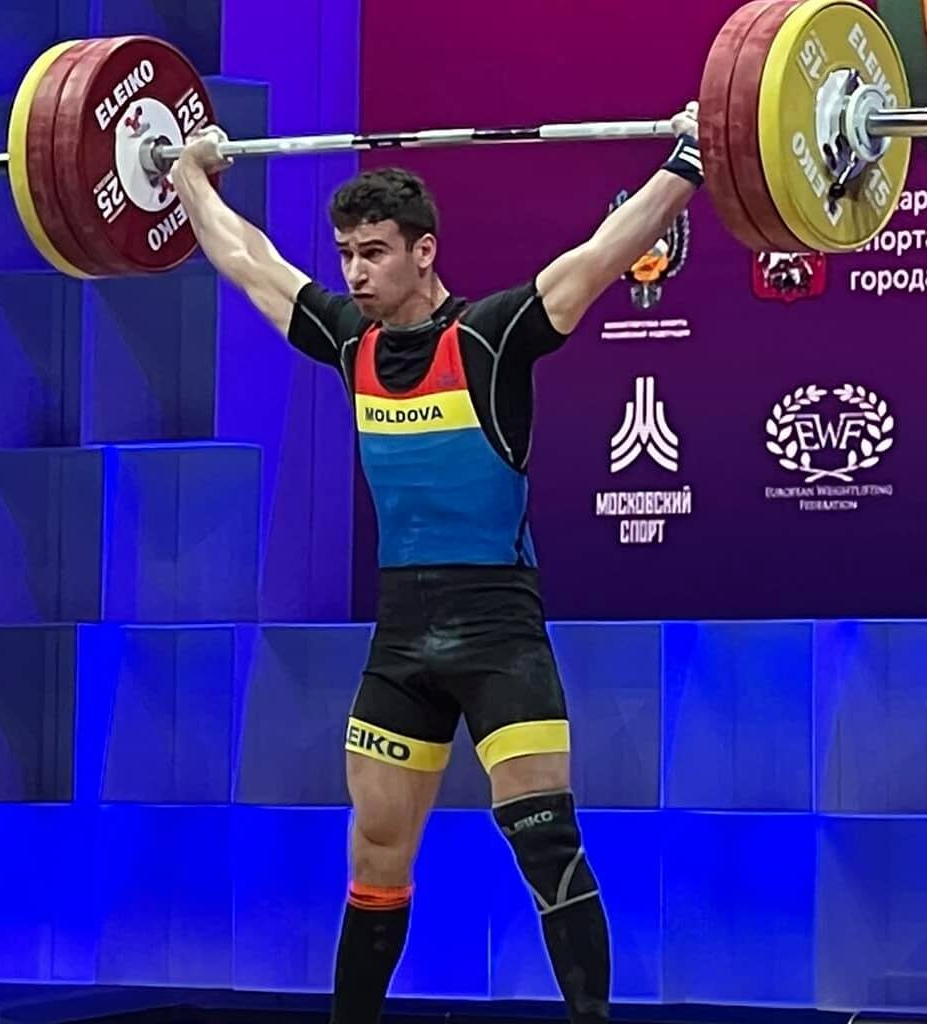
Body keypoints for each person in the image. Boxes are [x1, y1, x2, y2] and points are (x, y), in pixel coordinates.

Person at [165, 100, 703, 1024]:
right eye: (346, 254)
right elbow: (251, 262)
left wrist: (689, 160)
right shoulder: (352, 342)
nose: (354, 272)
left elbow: (600, 258)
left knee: (546, 843)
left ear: (424, 251)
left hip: (499, 633)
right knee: (376, 853)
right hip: (402, 638)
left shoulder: (491, 339)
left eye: (373, 252)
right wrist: (187, 182)